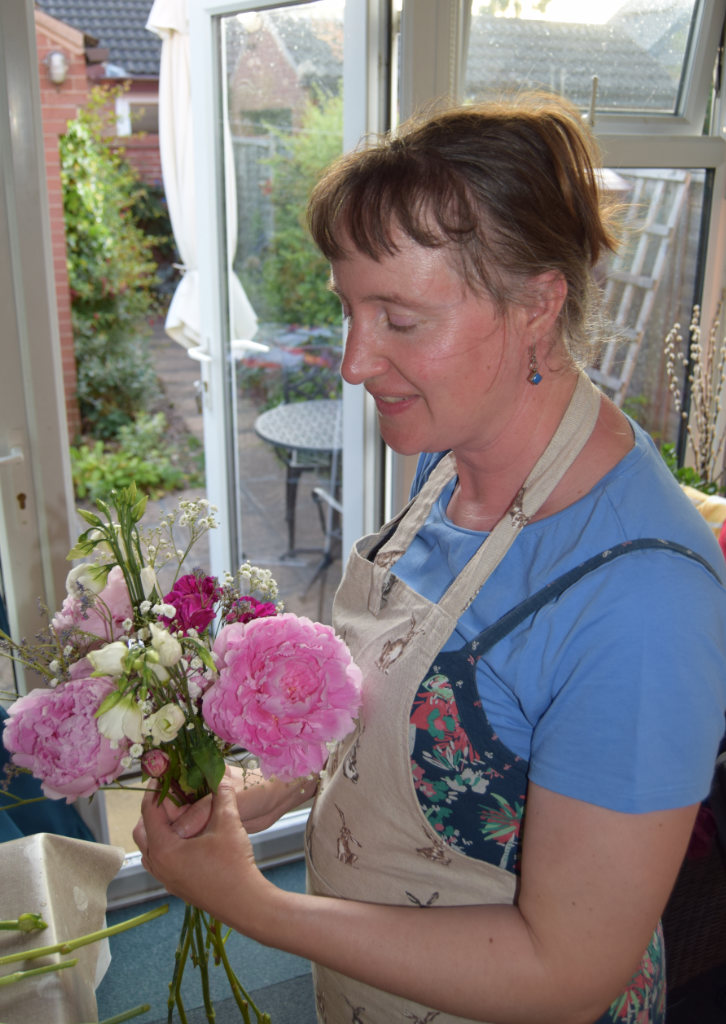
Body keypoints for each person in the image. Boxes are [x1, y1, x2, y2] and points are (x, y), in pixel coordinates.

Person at [134, 93, 726, 1024]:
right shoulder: (455, 453)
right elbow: (397, 690)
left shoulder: (645, 600)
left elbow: (567, 971)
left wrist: (255, 904)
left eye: (400, 319)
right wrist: (273, 782)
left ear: (538, 304)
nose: (354, 362)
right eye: (349, 309)